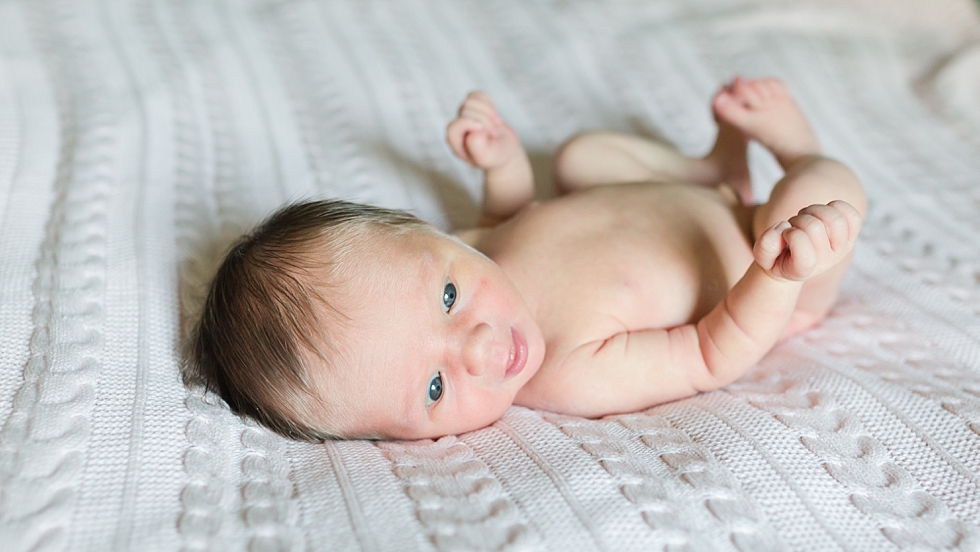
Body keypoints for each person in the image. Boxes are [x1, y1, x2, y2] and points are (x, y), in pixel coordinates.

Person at [190, 77, 866, 442]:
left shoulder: (479, 247)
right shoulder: (568, 370)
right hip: (767, 258)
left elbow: (513, 220)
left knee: (578, 157)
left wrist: (502, 161)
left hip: (687, 199)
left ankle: (715, 165)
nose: (482, 349)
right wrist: (778, 274)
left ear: (430, 234)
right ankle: (800, 152)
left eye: (449, 299)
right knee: (815, 197)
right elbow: (709, 354)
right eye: (434, 388)